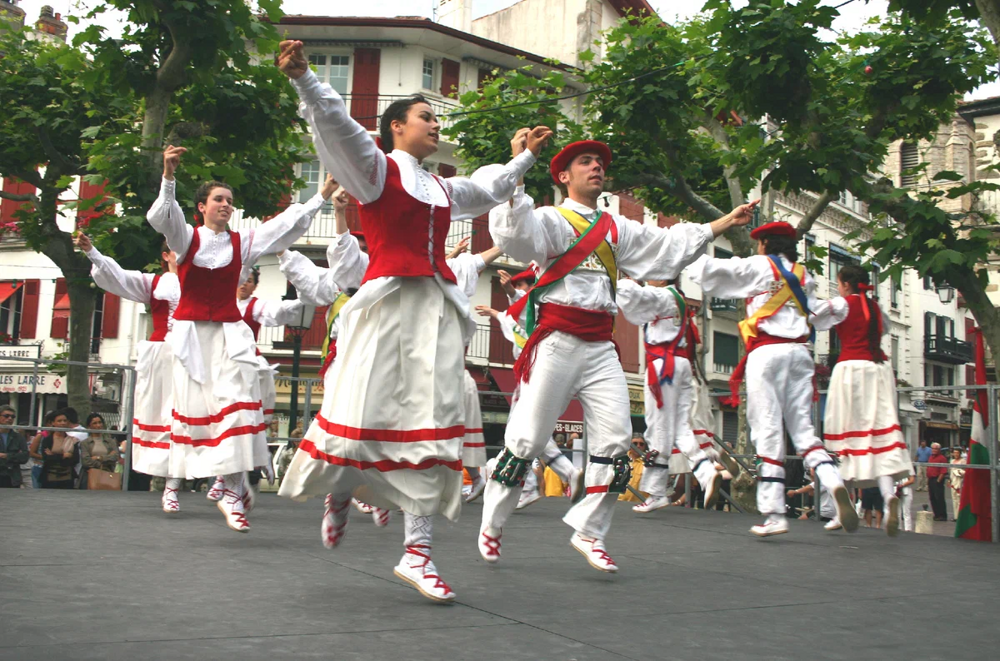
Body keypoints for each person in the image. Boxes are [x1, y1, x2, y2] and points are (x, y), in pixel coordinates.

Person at [275, 39, 544, 603]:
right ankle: (343, 488)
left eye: (436, 118)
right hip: (388, 304)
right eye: (426, 116)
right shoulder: (375, 171)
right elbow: (339, 129)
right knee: (363, 407)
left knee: (436, 415)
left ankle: (416, 551)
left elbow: (489, 188)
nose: (436, 124)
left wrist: (522, 158)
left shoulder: (441, 187)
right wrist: (304, 79)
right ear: (396, 127)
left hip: (435, 310)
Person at [480, 137, 757, 573]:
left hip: (600, 346)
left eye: (599, 162)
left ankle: (590, 531)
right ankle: (493, 521)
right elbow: (514, 235)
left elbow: (666, 245)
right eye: (585, 162)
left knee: (616, 441)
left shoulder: (616, 228)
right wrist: (518, 167)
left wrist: (723, 222)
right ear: (563, 176)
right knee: (528, 440)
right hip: (555, 340)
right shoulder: (549, 219)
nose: (597, 167)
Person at [147, 144, 324, 532]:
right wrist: (169, 176)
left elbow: (284, 225)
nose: (226, 205)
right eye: (218, 199)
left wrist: (321, 196)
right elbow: (163, 217)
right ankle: (179, 485)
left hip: (228, 335)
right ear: (202, 207)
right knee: (195, 417)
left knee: (240, 408)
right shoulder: (186, 239)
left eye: (229, 200)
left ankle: (231, 489)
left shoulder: (243, 242)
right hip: (192, 338)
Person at [685, 221, 860, 537]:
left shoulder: (758, 266)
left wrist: (685, 251)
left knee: (766, 430)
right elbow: (820, 315)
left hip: (767, 353)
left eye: (759, 243)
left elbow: (711, 272)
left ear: (765, 243)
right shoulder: (805, 276)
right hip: (800, 354)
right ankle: (832, 481)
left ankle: (775, 513)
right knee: (803, 431)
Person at [810, 263, 912, 537]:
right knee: (879, 439)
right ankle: (888, 498)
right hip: (878, 371)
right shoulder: (876, 308)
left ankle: (839, 510)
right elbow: (884, 330)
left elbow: (814, 317)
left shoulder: (842, 304)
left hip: (851, 370)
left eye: (839, 283)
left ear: (845, 284)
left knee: (845, 440)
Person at [78, 233, 179, 503]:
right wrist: (93, 252)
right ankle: (165, 480)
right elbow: (120, 277)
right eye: (176, 250)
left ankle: (222, 475)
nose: (182, 255)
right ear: (165, 256)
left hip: (195, 353)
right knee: (163, 413)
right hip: (164, 352)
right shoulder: (155, 282)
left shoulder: (203, 284)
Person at [616, 278, 726, 513]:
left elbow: (628, 298)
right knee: (680, 428)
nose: (648, 278)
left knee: (658, 428)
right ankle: (705, 472)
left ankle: (656, 492)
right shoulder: (679, 299)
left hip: (662, 366)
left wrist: (625, 279)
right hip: (681, 365)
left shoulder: (661, 295)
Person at [38, 409, 82, 489]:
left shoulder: (72, 440)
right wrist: (64, 455)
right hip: (50, 479)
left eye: (65, 421)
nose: (63, 423)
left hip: (67, 479)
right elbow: (46, 458)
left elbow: (75, 459)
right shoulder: (47, 440)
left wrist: (54, 455)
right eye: (59, 421)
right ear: (53, 423)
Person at [80, 413, 121, 488]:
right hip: (90, 476)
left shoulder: (110, 441)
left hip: (108, 475)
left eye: (100, 422)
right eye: (94, 423)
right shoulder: (85, 443)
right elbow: (86, 461)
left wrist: (99, 458)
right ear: (89, 426)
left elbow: (116, 456)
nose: (98, 425)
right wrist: (104, 462)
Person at [0, 406, 29, 488]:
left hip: (12, 477)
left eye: (12, 417)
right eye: (6, 416)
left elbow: (24, 457)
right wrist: (15, 456)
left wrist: (6, 456)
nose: (10, 418)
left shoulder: (18, 437)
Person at [926, 443, 949, 521]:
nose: (934, 450)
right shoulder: (930, 457)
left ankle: (942, 515)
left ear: (939, 450)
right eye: (932, 448)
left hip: (937, 479)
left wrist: (938, 481)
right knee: (932, 498)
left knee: (939, 497)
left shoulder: (942, 458)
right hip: (931, 479)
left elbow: (943, 471)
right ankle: (936, 514)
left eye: (936, 449)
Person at [949, 447, 965, 522]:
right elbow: (950, 471)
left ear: (960, 453)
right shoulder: (952, 461)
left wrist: (959, 472)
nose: (956, 454)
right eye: (954, 453)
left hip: (960, 481)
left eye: (957, 453)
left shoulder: (963, 461)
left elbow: (965, 471)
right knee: (954, 499)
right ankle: (956, 516)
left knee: (959, 500)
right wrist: (949, 480)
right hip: (953, 481)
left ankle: (960, 516)